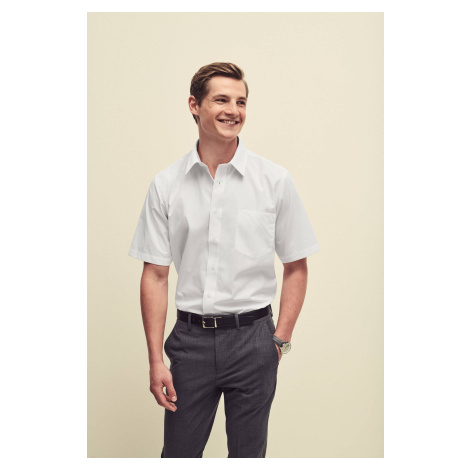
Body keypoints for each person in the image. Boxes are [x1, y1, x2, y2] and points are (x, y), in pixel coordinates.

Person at [128, 62, 320, 458]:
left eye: (241, 101)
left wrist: (279, 341)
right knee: (179, 455)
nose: (233, 110)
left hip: (254, 340)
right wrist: (155, 360)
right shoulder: (166, 184)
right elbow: (156, 276)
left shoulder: (274, 180)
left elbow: (296, 265)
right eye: (221, 100)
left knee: (248, 456)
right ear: (194, 105)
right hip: (190, 342)